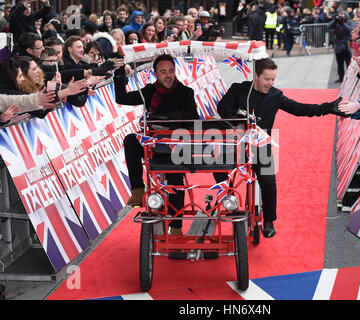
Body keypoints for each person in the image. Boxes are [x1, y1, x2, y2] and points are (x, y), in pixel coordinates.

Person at [215, 58, 345, 238]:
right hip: (236, 143)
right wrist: (237, 119)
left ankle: (268, 220)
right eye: (267, 79)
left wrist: (328, 108)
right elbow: (222, 107)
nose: (270, 83)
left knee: (268, 182)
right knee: (219, 168)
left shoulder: (275, 96)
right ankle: (228, 201)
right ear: (256, 75)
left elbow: (301, 109)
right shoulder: (239, 89)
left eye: (273, 79)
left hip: (260, 145)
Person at [114, 54, 199, 236]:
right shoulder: (150, 91)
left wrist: (174, 119)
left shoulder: (186, 93)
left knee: (175, 175)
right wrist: (119, 71)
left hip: (178, 147)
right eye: (163, 72)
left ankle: (176, 226)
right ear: (155, 74)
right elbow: (121, 98)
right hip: (154, 145)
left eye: (171, 71)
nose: (168, 75)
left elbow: (194, 121)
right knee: (130, 139)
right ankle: (137, 189)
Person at [328, 10, 353, 83]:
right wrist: (335, 21)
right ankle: (341, 77)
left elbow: (349, 30)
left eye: (343, 14)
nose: (341, 15)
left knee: (348, 64)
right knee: (340, 63)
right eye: (340, 14)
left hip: (346, 46)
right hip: (338, 46)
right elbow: (329, 26)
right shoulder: (337, 22)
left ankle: (350, 78)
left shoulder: (349, 22)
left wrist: (342, 23)